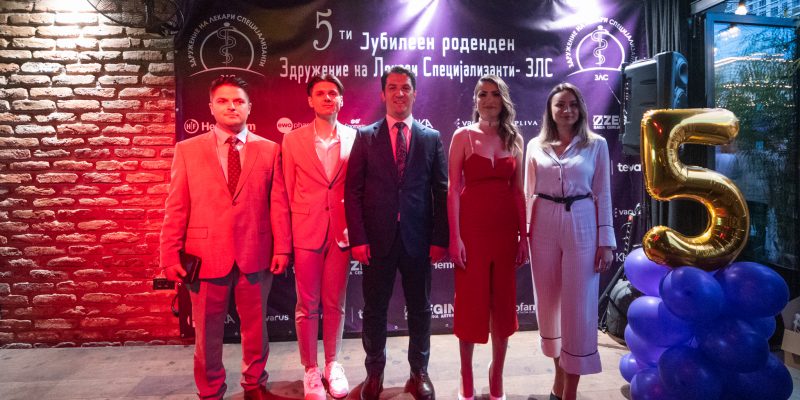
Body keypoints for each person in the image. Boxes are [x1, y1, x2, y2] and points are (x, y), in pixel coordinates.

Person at [159, 75, 291, 400]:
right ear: (211, 107)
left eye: (238, 101)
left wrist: (282, 248)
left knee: (256, 328)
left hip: (256, 252)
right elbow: (176, 206)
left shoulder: (270, 150)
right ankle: (210, 391)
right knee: (207, 333)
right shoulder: (187, 150)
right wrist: (169, 255)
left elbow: (278, 205)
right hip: (205, 255)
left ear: (249, 107)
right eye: (223, 101)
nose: (231, 106)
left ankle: (254, 385)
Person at [344, 66, 449, 400]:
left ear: (415, 94)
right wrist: (358, 239)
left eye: (405, 88)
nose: (399, 93)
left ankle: (419, 372)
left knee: (420, 309)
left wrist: (440, 238)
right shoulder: (365, 136)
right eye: (392, 87)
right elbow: (353, 192)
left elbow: (441, 192)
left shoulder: (431, 138)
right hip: (376, 241)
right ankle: (374, 372)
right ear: (383, 94)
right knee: (374, 310)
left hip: (419, 240)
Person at [525, 82, 615, 400]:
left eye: (573, 104)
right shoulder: (535, 145)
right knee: (549, 305)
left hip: (582, 221)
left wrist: (606, 241)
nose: (567, 110)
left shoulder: (597, 145)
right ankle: (558, 380)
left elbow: (603, 193)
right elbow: (527, 193)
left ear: (581, 109)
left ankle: (570, 394)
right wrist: (523, 235)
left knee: (579, 308)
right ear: (550, 110)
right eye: (560, 104)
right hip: (543, 223)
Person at [447, 75, 528, 400]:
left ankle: (497, 375)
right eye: (483, 94)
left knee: (503, 306)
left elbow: (518, 192)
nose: (489, 100)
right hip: (472, 232)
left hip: (505, 233)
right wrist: (455, 237)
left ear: (503, 100)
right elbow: (453, 189)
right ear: (476, 100)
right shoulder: (463, 136)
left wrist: (523, 237)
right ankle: (466, 374)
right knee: (470, 304)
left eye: (495, 94)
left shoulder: (515, 138)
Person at [282, 74, 355, 400]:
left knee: (336, 302)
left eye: (333, 93)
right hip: (306, 231)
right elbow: (286, 191)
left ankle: (332, 364)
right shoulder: (292, 140)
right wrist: (286, 238)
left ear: (341, 100)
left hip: (341, 232)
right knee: (306, 304)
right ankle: (310, 368)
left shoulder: (354, 138)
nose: (327, 98)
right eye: (320, 93)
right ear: (310, 100)